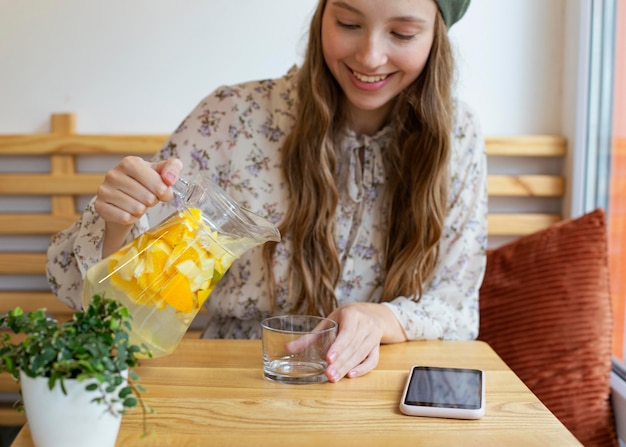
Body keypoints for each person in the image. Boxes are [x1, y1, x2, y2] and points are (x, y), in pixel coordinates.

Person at [47, 0, 486, 383]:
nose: (371, 56)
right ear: (321, 19)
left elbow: (457, 310)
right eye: (348, 23)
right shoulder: (232, 118)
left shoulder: (457, 136)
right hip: (228, 382)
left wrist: (380, 317)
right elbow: (79, 291)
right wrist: (116, 223)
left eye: (403, 33)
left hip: (377, 391)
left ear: (436, 37)